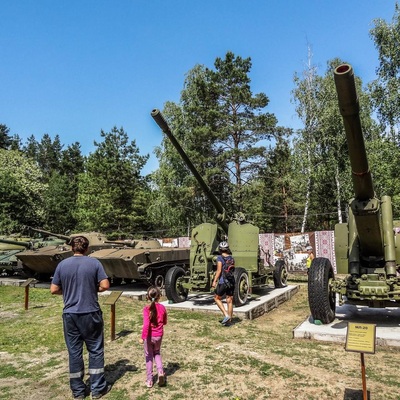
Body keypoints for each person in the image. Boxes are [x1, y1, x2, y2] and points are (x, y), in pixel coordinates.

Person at [50, 236, 111, 400]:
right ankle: (97, 389)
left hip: (70, 314)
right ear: (87, 249)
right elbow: (105, 285)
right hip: (91, 312)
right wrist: (92, 288)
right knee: (96, 350)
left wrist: (69, 291)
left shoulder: (62, 265)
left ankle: (78, 391)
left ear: (72, 248)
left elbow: (54, 289)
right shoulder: (94, 263)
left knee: (74, 352)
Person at [139, 286, 167, 388]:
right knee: (157, 353)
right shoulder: (163, 308)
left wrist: (142, 337)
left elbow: (146, 325)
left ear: (147, 297)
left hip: (149, 337)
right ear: (159, 297)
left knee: (149, 356)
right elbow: (164, 321)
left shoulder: (146, 309)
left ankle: (150, 380)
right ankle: (160, 371)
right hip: (159, 335)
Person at [211, 241, 235, 326]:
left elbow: (219, 270)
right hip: (231, 281)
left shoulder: (219, 258)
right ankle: (230, 321)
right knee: (229, 300)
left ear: (220, 249)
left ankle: (226, 315)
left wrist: (214, 281)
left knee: (216, 298)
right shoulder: (231, 258)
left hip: (223, 281)